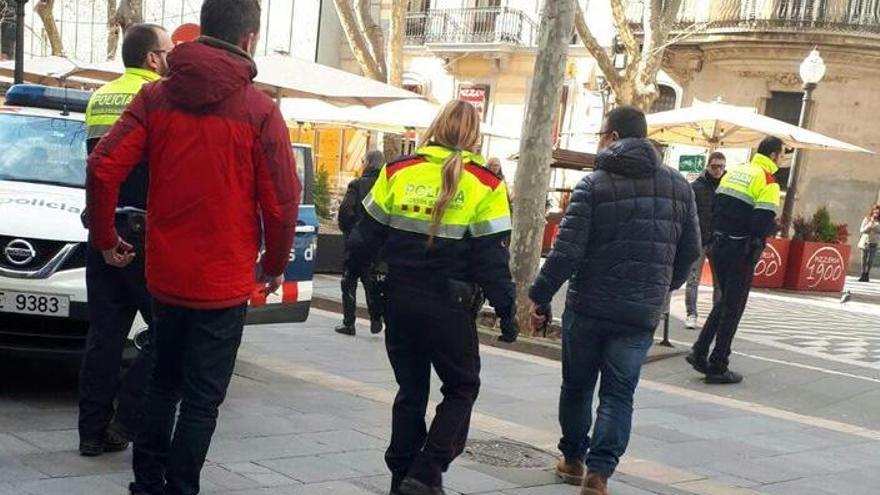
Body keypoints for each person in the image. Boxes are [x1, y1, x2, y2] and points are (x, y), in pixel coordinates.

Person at [86, 1, 300, 493]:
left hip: (166, 277)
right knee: (202, 400)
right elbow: (284, 201)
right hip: (223, 285)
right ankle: (181, 487)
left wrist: (104, 237)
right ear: (249, 40)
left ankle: (146, 485)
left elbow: (102, 167)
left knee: (163, 382)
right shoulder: (261, 112)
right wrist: (274, 263)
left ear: (203, 30)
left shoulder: (155, 98)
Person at [347, 100, 518, 495]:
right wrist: (507, 312)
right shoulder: (487, 185)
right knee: (461, 387)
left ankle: (400, 478)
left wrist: (355, 279)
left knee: (411, 391)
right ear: (475, 135)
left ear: (435, 127)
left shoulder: (397, 171)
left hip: (400, 298)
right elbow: (492, 259)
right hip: (449, 307)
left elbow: (362, 238)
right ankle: (426, 471)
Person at [528, 106, 700, 495]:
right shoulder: (679, 187)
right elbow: (691, 251)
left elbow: (566, 252)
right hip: (639, 312)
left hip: (589, 306)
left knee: (577, 386)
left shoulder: (593, 184)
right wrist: (662, 287)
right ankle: (599, 474)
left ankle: (573, 459)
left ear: (612, 136)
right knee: (619, 393)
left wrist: (540, 295)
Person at [78, 23, 173, 458]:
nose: (174, 56)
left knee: (104, 337)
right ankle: (126, 419)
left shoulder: (100, 96)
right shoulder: (159, 98)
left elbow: (97, 167)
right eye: (169, 50)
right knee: (168, 333)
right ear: (153, 58)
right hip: (143, 237)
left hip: (101, 230)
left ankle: (91, 433)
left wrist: (102, 233)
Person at [688, 137, 782, 385]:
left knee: (725, 302)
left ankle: (699, 351)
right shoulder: (769, 181)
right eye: (781, 155)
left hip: (718, 244)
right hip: (741, 249)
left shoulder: (736, 171)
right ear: (773, 155)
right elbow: (761, 223)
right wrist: (772, 226)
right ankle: (719, 364)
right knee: (734, 307)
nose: (781, 160)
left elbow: (717, 206)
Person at [336, 150, 386, 336]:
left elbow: (346, 211)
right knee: (370, 279)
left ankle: (349, 323)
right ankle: (375, 317)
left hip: (357, 242)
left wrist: (349, 231)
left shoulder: (357, 185)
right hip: (379, 245)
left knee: (349, 280)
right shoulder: (387, 186)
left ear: (368, 163)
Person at [684, 152, 726, 329]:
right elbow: (690, 212)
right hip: (700, 238)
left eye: (721, 167)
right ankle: (691, 314)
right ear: (708, 166)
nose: (717, 170)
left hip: (719, 240)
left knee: (720, 282)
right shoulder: (696, 187)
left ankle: (715, 317)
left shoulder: (727, 187)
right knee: (693, 279)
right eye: (714, 166)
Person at [858, 204, 880, 282]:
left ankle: (867, 274)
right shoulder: (867, 219)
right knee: (863, 259)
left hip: (874, 242)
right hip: (865, 241)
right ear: (873, 211)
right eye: (875, 210)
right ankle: (863, 274)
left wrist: (875, 226)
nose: (876, 212)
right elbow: (862, 230)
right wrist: (869, 225)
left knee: (870, 260)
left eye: (878, 210)